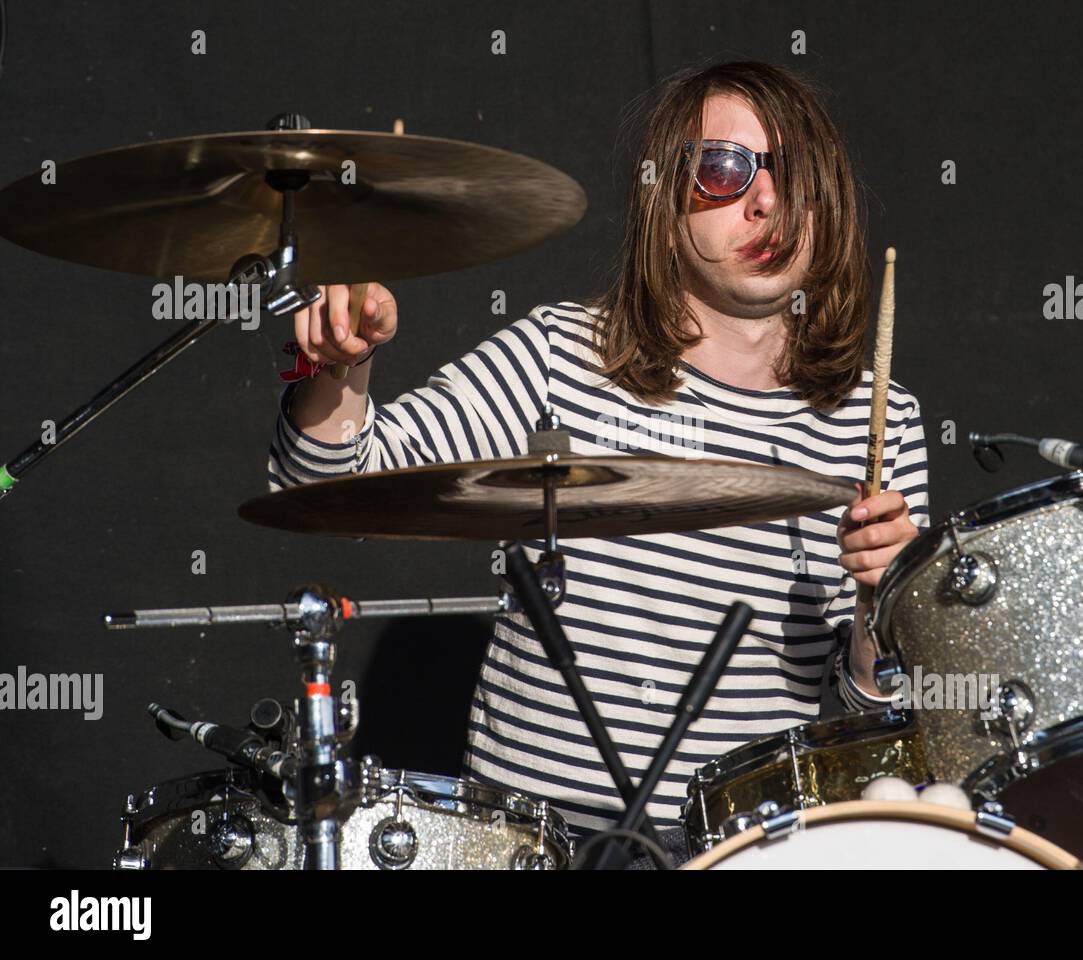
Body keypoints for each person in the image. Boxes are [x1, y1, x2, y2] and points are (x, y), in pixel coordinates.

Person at [267, 60, 929, 861]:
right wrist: (341, 365)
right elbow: (329, 486)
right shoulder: (560, 357)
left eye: (793, 172)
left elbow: (867, 715)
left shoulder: (875, 417)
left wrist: (881, 604)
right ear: (662, 199)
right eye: (723, 169)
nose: (765, 200)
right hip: (539, 844)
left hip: (747, 848)